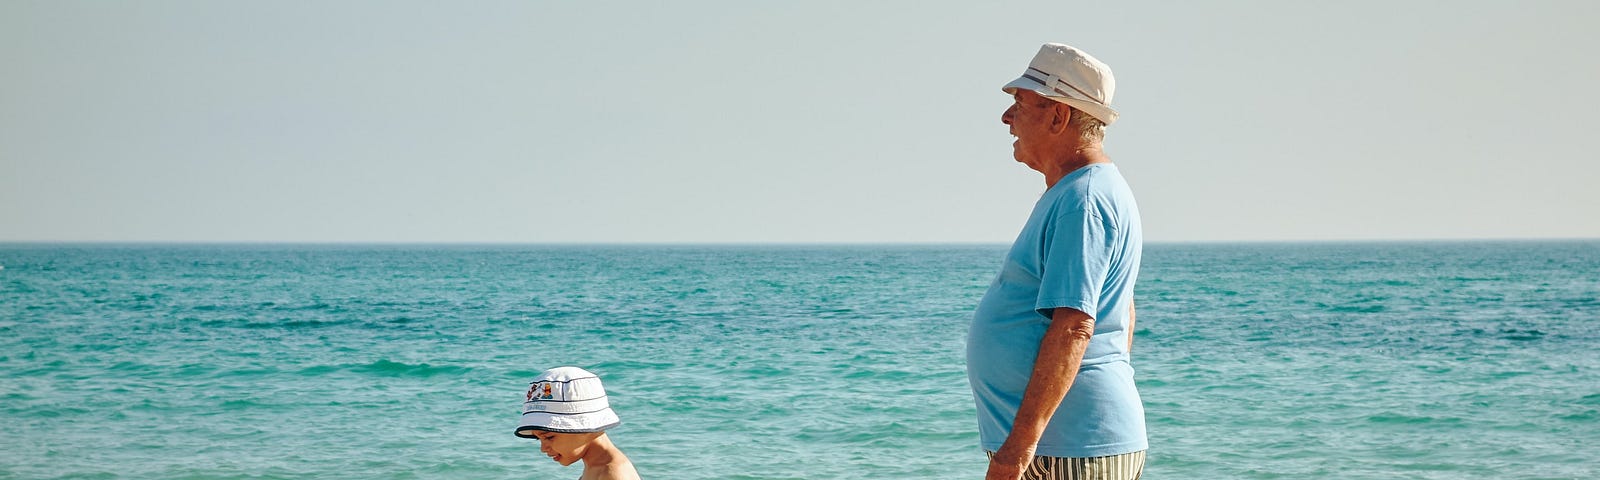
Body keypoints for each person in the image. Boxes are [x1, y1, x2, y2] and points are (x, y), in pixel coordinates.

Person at [966, 43, 1147, 480]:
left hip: (1065, 452)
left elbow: (1074, 325)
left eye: (1019, 104)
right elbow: (1123, 311)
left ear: (1058, 116)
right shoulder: (1080, 192)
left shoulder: (1082, 200)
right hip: (1069, 445)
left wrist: (1017, 451)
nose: (1007, 118)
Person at [515, 366, 641, 480]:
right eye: (539, 439)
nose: (543, 448)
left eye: (549, 437)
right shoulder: (596, 467)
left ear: (585, 427)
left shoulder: (613, 474)